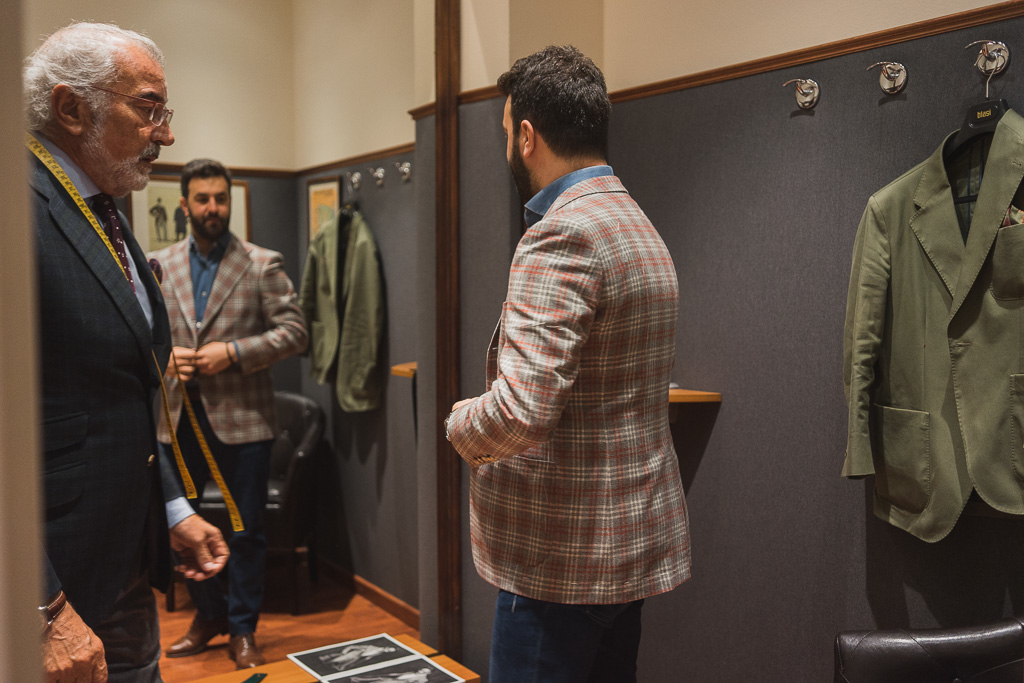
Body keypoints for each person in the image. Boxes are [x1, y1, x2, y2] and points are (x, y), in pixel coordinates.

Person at [444, 45, 692, 682]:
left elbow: (520, 411)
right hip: (626, 548)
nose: (507, 147)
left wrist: (460, 423)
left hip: (559, 559)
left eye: (507, 133)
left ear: (527, 136)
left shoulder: (561, 233)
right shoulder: (636, 222)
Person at [25, 22, 229, 682]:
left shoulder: (100, 210)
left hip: (125, 560)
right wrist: (39, 607)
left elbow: (117, 396)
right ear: (71, 108)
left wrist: (170, 507)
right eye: (149, 109)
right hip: (56, 584)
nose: (165, 135)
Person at [150, 158, 308, 669]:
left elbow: (295, 333)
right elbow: (142, 336)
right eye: (203, 199)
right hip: (177, 420)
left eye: (221, 198)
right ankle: (209, 615)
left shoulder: (262, 263)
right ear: (184, 204)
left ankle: (242, 628)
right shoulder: (157, 265)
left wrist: (233, 353)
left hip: (244, 421)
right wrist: (163, 359)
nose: (213, 207)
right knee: (184, 525)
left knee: (246, 531)